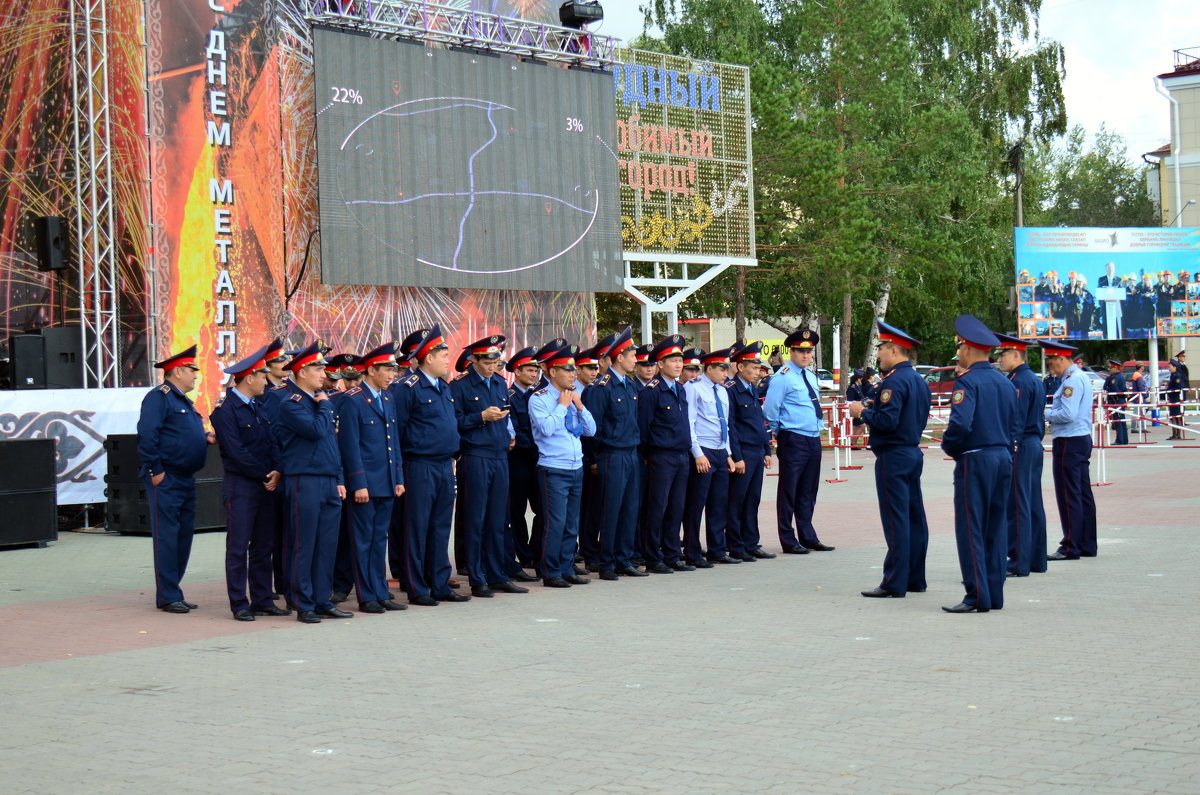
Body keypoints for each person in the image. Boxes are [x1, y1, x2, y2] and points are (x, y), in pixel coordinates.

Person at [848, 321, 931, 598]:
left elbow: (888, 420)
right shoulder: (917, 380)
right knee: (914, 518)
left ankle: (894, 582)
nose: (879, 355)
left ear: (894, 350)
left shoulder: (893, 381)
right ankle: (915, 578)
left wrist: (861, 412)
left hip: (894, 455)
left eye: (881, 349)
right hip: (911, 452)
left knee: (896, 520)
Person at [940, 316, 1017, 614]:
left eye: (959, 346)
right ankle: (994, 594)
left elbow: (960, 424)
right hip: (1003, 457)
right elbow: (1015, 424)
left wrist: (950, 447)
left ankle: (976, 595)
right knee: (996, 527)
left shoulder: (967, 382)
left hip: (975, 458)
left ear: (968, 348)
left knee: (971, 527)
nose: (958, 352)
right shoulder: (1005, 383)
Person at [391, 325, 470, 606]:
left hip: (444, 465)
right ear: (427, 357)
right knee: (416, 527)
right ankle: (416, 587)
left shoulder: (444, 387)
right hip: (418, 465)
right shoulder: (407, 388)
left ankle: (440, 583)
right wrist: (398, 472)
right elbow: (396, 433)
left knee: (439, 527)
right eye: (443, 354)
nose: (448, 359)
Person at [210, 344, 288, 621]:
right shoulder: (225, 410)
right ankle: (239, 603)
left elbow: (273, 441)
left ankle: (263, 599)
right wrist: (264, 474)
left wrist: (278, 470)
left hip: (266, 483)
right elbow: (235, 451)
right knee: (238, 546)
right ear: (249, 378)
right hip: (242, 485)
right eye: (262, 377)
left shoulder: (260, 405)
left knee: (263, 545)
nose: (266, 381)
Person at [273, 341, 349, 623]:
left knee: (327, 544)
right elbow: (317, 431)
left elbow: (332, 444)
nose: (323, 373)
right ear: (302, 372)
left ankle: (322, 599)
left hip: (328, 479)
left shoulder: (318, 402)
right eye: (318, 368)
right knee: (304, 543)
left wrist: (340, 478)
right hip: (304, 480)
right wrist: (326, 408)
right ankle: (303, 603)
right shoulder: (291, 404)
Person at [136, 345, 212, 613]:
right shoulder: (159, 397)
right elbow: (148, 435)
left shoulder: (181, 400)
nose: (195, 376)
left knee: (182, 537)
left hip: (185, 477)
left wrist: (204, 438)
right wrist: (155, 470)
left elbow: (178, 434)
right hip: (166, 478)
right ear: (178, 371)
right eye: (192, 371)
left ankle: (174, 589)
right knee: (168, 537)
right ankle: (167, 595)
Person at [452, 336, 528, 598]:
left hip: (499, 455)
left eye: (495, 361)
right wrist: (480, 417)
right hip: (475, 455)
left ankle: (497, 574)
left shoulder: (498, 382)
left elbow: (506, 412)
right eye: (486, 361)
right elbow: (454, 422)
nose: (491, 366)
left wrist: (508, 434)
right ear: (474, 360)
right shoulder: (460, 385)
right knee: (476, 519)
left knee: (498, 519)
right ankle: (477, 577)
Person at [336, 343, 407, 614]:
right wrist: (359, 483)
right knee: (363, 540)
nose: (391, 375)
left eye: (393, 370)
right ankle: (367, 595)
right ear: (371, 369)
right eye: (387, 370)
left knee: (380, 539)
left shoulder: (387, 398)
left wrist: (398, 476)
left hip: (387, 481)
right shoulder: (353, 400)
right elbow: (350, 446)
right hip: (366, 483)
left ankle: (380, 591)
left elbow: (394, 442)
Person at [528, 343, 596, 587]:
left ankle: (567, 567)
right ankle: (550, 570)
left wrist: (579, 406)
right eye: (566, 371)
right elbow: (545, 429)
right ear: (552, 372)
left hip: (575, 466)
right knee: (554, 522)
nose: (572, 375)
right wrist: (562, 406)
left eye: (573, 370)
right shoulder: (540, 398)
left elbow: (590, 430)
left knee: (570, 522)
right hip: (553, 468)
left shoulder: (574, 396)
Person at [582, 326, 647, 580]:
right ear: (619, 357)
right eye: (632, 356)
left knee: (630, 509)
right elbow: (592, 428)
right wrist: (595, 458)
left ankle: (624, 558)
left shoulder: (629, 386)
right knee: (611, 510)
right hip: (612, 455)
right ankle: (606, 562)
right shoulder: (601, 387)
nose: (636, 360)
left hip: (631, 453)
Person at [764, 328, 834, 554]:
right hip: (793, 438)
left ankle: (808, 535)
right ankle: (788, 538)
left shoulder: (811, 376)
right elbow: (770, 409)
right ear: (791, 352)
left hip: (813, 438)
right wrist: (781, 431)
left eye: (809, 352)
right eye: (800, 351)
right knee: (789, 490)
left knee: (808, 490)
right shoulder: (782, 377)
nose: (806, 356)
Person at [637, 335, 695, 573]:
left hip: (681, 455)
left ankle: (672, 554)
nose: (679, 364)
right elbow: (644, 427)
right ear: (660, 364)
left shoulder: (679, 389)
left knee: (676, 507)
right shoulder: (653, 390)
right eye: (672, 360)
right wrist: (650, 455)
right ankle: (653, 556)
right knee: (657, 507)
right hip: (661, 456)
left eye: (680, 359)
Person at [993, 333, 1048, 576]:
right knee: (1032, 503)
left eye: (1003, 354)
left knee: (1017, 504)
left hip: (1021, 444)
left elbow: (1016, 418)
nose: (1000, 360)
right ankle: (1036, 558)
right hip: (1032, 443)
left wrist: (1011, 445)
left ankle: (1017, 561)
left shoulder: (1018, 382)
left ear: (1016, 354)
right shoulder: (1032, 378)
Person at [681, 348, 739, 567]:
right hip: (703, 450)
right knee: (696, 505)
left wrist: (729, 454)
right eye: (721, 369)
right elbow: (690, 423)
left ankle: (716, 549)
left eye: (726, 368)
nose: (726, 373)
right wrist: (697, 454)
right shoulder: (693, 388)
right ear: (710, 368)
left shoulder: (723, 391)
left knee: (718, 503)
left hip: (720, 451)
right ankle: (692, 552)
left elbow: (725, 424)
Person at [1043, 340, 1097, 560]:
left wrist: (1043, 415)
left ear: (1062, 359)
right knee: (1082, 493)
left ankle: (1070, 545)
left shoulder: (1071, 381)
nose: (1050, 368)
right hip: (1080, 439)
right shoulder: (1079, 377)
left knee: (1068, 494)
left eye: (1052, 362)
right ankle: (1086, 543)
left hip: (1069, 440)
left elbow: (1067, 414)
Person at [725, 342, 776, 562]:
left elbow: (759, 422)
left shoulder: (752, 389)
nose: (757, 372)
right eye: (753, 368)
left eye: (758, 368)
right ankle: (736, 545)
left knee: (753, 499)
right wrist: (737, 456)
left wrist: (767, 449)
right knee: (737, 500)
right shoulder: (732, 390)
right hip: (743, 452)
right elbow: (731, 426)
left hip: (756, 450)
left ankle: (751, 542)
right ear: (740, 367)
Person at [504, 347, 543, 582]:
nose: (534, 374)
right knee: (516, 511)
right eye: (529, 370)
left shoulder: (536, 395)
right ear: (516, 371)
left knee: (541, 508)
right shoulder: (510, 397)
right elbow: (516, 432)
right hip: (518, 459)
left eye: (536, 370)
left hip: (536, 459)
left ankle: (534, 551)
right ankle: (522, 553)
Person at [575, 342, 605, 572]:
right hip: (580, 456)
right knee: (582, 507)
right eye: (589, 368)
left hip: (589, 457)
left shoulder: (594, 389)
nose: (594, 372)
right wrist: (593, 458)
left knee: (593, 506)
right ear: (577, 369)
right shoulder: (574, 391)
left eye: (596, 368)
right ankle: (584, 549)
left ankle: (589, 548)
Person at [1102, 359, 1129, 446]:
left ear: (1116, 368)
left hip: (1116, 400)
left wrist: (1109, 386)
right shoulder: (1119, 377)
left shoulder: (1115, 378)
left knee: (1118, 420)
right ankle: (1124, 439)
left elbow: (1114, 389)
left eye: (1111, 368)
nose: (1110, 370)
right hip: (1119, 400)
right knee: (1122, 420)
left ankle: (1120, 440)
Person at [1167, 359, 1185, 440]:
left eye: (1170, 366)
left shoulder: (1177, 375)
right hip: (1172, 398)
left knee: (1177, 416)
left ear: (1174, 367)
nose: (1169, 368)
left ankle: (1177, 434)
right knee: (1173, 416)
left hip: (1176, 398)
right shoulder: (1173, 375)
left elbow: (1178, 387)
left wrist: (1170, 391)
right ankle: (1174, 434)